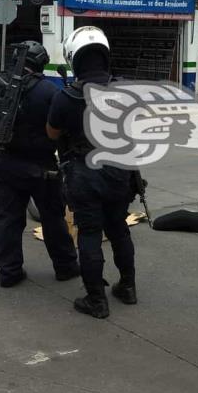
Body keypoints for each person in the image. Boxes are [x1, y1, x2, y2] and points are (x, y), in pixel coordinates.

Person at [47, 26, 136, 319]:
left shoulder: (66, 97)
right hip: (119, 170)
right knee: (119, 228)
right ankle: (128, 287)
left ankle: (96, 299)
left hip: (84, 173)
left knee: (89, 234)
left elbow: (51, 133)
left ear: (74, 59)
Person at [0, 41, 79, 287]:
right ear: (40, 63)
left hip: (5, 163)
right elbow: (60, 128)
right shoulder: (48, 91)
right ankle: (66, 267)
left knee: (7, 220)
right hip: (42, 166)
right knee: (52, 218)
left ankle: (9, 272)